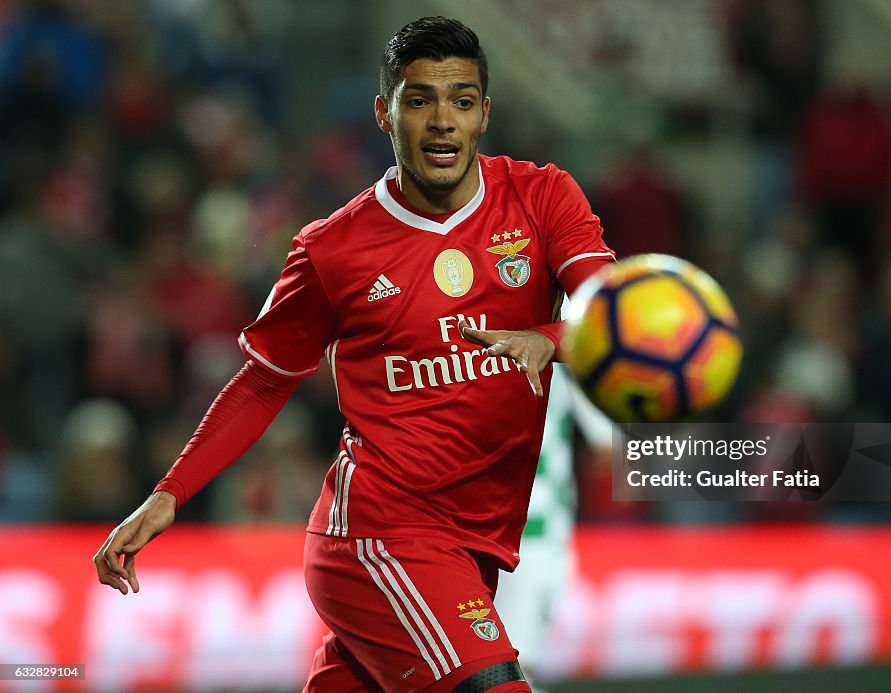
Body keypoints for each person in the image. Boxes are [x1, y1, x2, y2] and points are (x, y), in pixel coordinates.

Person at [93, 16, 614, 693]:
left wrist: (545, 339)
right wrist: (169, 494)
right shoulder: (333, 248)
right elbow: (261, 382)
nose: (442, 122)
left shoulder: (543, 198)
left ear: (485, 113)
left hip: (474, 543)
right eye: (419, 99)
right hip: (381, 535)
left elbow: (615, 319)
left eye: (461, 100)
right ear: (383, 113)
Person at [493, 362, 613, 690]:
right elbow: (612, 444)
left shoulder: (454, 335)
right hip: (533, 535)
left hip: (493, 530)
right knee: (511, 668)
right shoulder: (572, 340)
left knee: (497, 666)